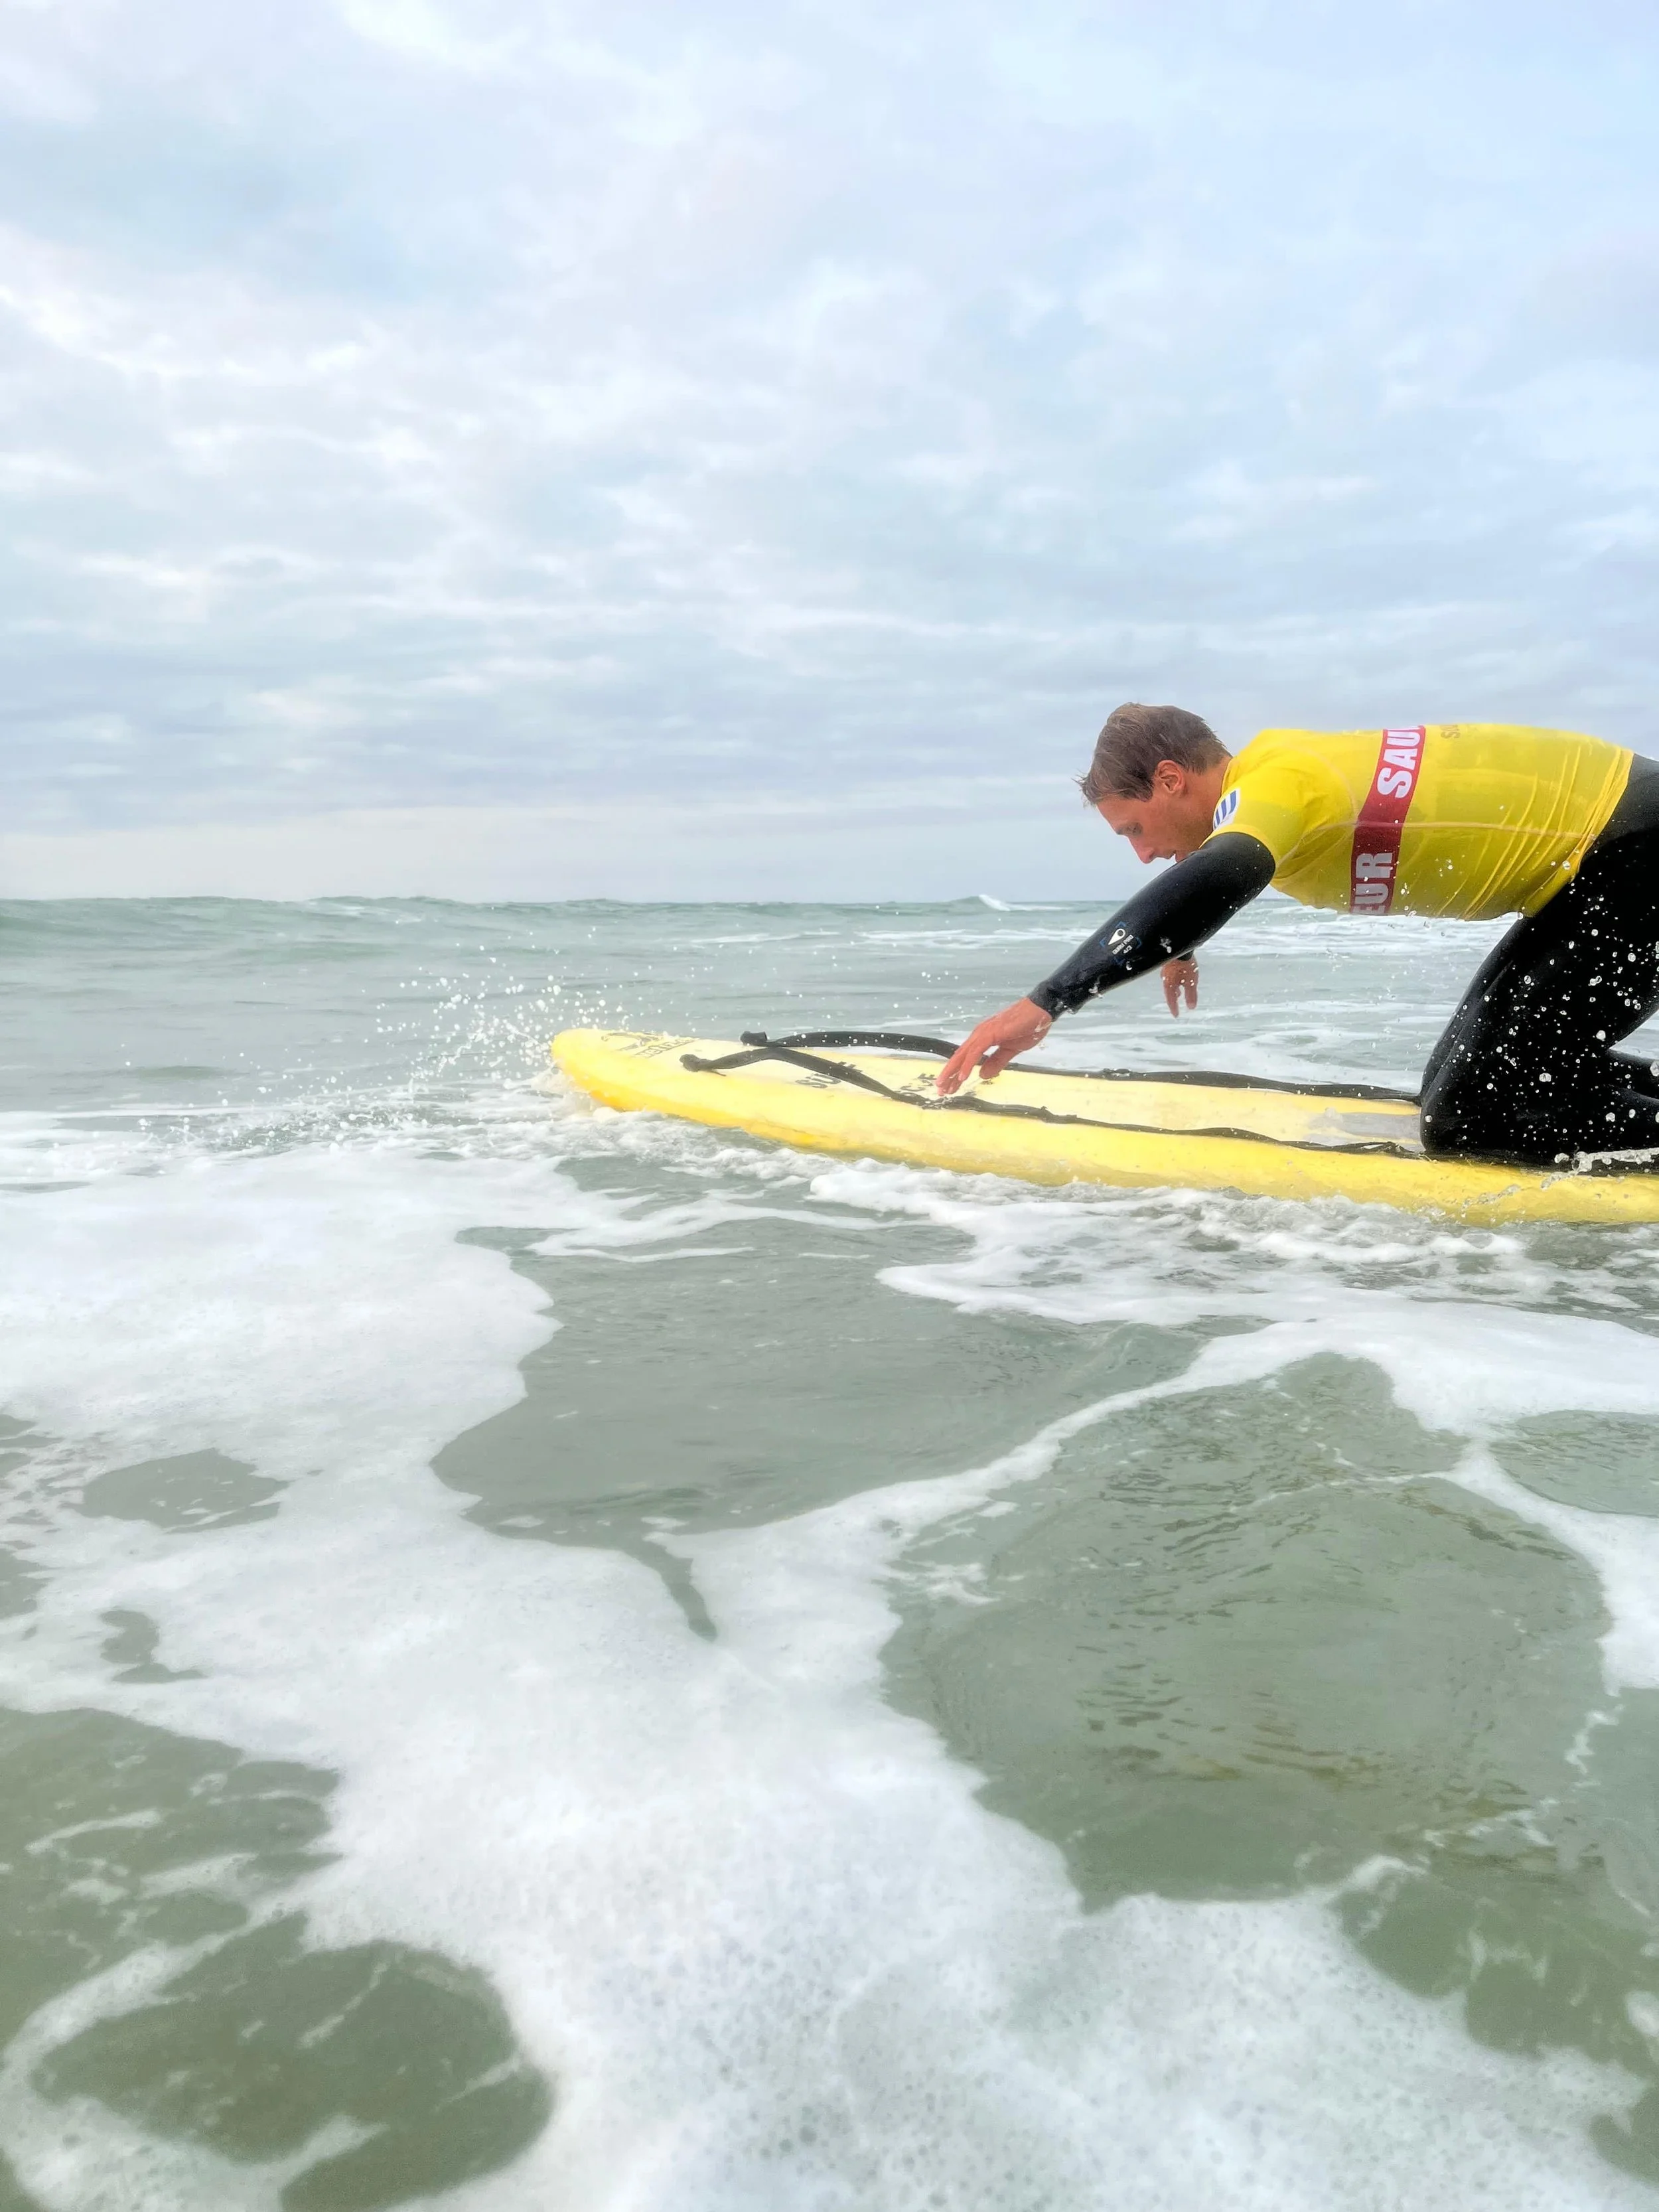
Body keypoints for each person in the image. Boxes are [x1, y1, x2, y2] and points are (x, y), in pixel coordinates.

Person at [937, 703, 1659, 1165]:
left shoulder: (1275, 783)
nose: (1142, 854)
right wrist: (1182, 944)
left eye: (1133, 829)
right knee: (1452, 1092)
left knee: (1469, 1119)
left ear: (1168, 779)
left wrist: (1049, 1000)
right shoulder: (1277, 777)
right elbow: (1214, 875)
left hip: (1635, 849)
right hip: (1603, 863)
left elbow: (1221, 875)